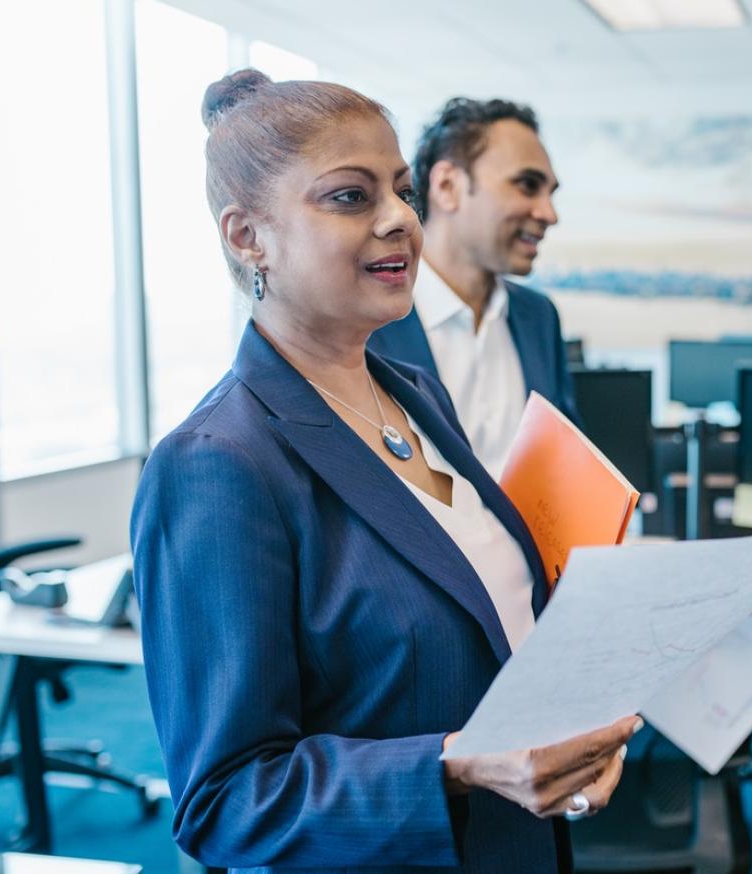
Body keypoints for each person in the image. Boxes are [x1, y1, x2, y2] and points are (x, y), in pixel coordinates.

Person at [130, 70, 639, 874]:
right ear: (246, 237)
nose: (401, 219)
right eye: (349, 197)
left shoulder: (415, 397)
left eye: (400, 191)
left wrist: (566, 739)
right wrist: (458, 765)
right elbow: (224, 800)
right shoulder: (217, 465)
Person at [368, 98, 579, 476]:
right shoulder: (368, 321)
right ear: (447, 186)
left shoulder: (539, 317)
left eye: (550, 193)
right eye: (528, 186)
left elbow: (564, 465)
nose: (549, 213)